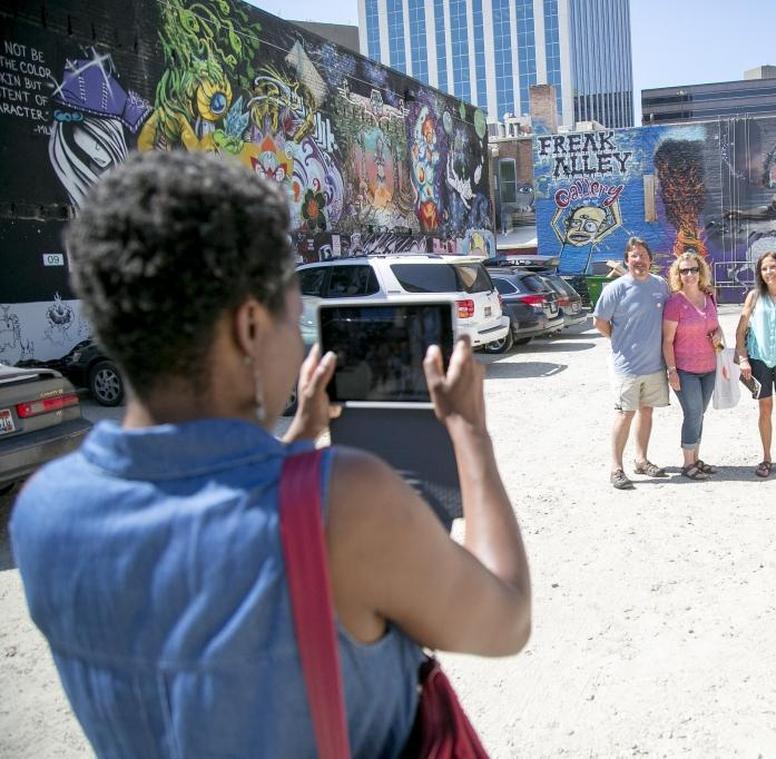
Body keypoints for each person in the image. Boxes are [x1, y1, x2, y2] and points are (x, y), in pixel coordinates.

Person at [10, 151, 531, 757]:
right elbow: (505, 619)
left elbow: (199, 538)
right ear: (250, 327)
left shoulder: (42, 510)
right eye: (294, 315)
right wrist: (470, 435)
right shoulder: (343, 499)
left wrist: (296, 439)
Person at [593, 237, 671, 490]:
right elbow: (600, 322)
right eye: (634, 255)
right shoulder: (615, 288)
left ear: (650, 258)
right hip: (626, 366)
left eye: (643, 255)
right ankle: (616, 468)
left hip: (655, 365)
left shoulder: (661, 285)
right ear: (627, 260)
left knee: (647, 411)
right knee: (625, 414)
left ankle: (641, 460)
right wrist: (617, 339)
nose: (639, 260)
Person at [734, 251, 776, 478]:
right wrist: (743, 359)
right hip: (759, 361)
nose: (769, 272)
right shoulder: (754, 297)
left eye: (772, 267)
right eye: (764, 268)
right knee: (764, 408)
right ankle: (766, 458)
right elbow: (740, 330)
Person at [662, 251, 723, 480]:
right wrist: (672, 371)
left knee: (700, 413)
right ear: (678, 274)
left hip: (709, 366)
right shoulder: (675, 303)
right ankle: (687, 464)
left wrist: (718, 334)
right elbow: (667, 340)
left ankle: (696, 458)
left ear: (701, 272)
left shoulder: (710, 297)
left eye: (693, 269)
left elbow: (716, 326)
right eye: (684, 270)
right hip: (684, 369)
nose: (689, 274)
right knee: (693, 412)